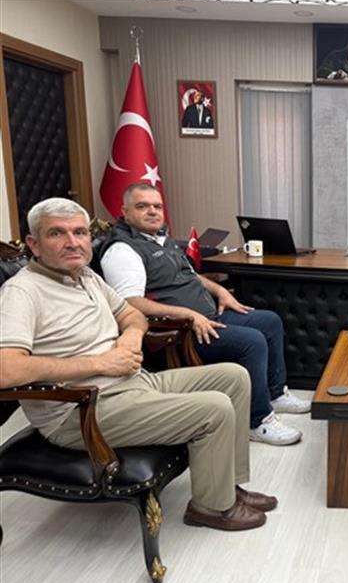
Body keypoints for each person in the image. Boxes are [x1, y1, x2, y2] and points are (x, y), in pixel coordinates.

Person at [0, 198, 276, 531]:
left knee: (233, 377)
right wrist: (102, 362)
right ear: (34, 244)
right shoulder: (22, 292)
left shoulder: (85, 275)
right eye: (57, 233)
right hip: (82, 410)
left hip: (132, 381)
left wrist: (130, 340)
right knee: (214, 408)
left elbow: (132, 314)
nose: (73, 242)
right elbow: (7, 370)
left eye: (80, 232)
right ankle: (211, 508)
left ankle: (226, 486)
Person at [99, 183, 309, 446]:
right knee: (252, 341)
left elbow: (190, 276)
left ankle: (274, 395)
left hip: (207, 319)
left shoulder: (162, 239)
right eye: (142, 206)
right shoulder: (122, 250)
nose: (152, 212)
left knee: (269, 321)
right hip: (179, 332)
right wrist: (188, 314)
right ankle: (257, 421)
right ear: (125, 212)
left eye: (157, 206)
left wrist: (220, 291)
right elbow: (130, 303)